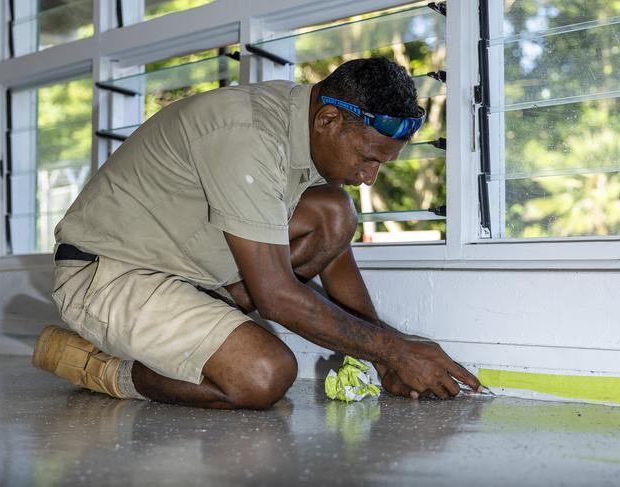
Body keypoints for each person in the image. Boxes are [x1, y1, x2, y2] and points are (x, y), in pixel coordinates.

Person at [32, 57, 481, 409]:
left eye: (381, 164)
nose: (370, 177)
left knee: (334, 212)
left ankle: (198, 337)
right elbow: (277, 297)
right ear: (328, 121)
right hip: (110, 275)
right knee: (263, 375)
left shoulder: (302, 124)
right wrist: (397, 351)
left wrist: (383, 356)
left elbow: (334, 252)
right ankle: (101, 368)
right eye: (367, 158)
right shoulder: (246, 134)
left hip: (190, 271)